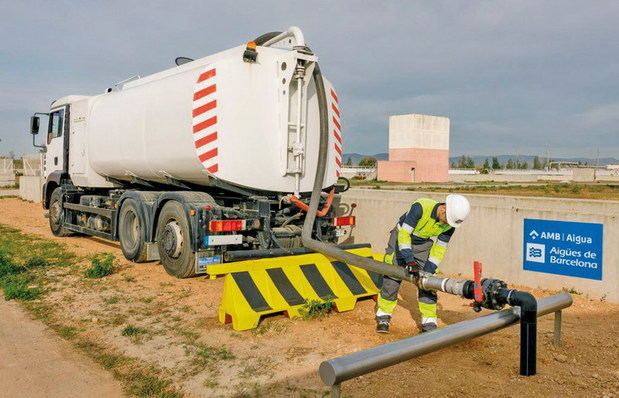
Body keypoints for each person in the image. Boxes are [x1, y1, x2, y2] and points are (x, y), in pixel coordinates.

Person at [375, 194, 471, 333]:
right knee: (392, 276)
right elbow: (404, 235)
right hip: (400, 236)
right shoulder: (421, 207)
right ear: (444, 208)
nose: (446, 224)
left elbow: (440, 247)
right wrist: (409, 259)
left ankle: (429, 321)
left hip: (423, 243)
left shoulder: (450, 224)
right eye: (446, 220)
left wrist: (429, 268)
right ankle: (384, 316)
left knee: (428, 281)